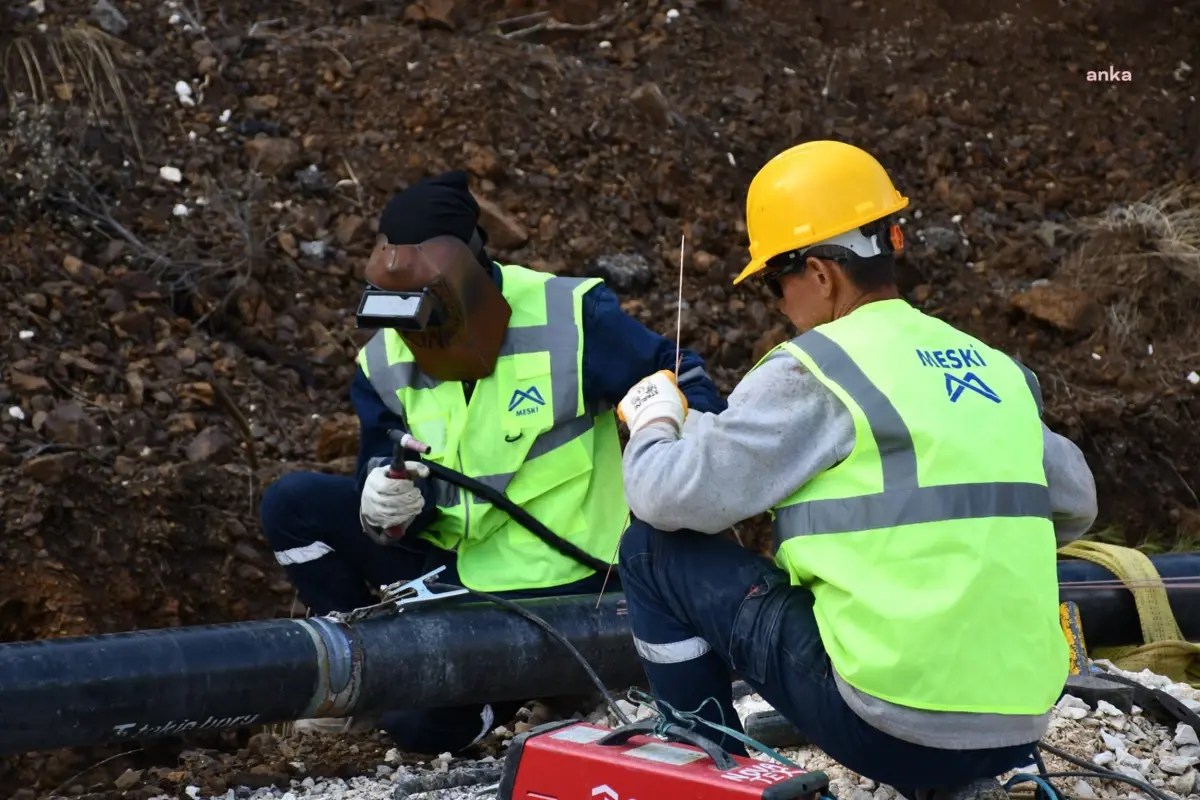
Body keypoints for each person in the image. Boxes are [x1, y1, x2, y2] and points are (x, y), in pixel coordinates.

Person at [612, 141, 1098, 800]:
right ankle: (968, 786)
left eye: (774, 281)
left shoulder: (817, 369)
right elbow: (1076, 503)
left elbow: (664, 494)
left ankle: (707, 770)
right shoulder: (992, 368)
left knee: (650, 549)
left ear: (819, 273)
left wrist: (654, 423)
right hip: (1018, 721)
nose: (779, 304)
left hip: (889, 724)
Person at [259, 169, 726, 752]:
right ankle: (367, 664)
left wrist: (686, 447)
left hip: (575, 583)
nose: (419, 336)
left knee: (418, 731)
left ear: (471, 275)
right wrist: (384, 497)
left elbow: (679, 373)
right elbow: (384, 460)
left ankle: (553, 687)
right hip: (461, 568)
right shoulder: (385, 359)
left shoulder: (570, 316)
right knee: (291, 504)